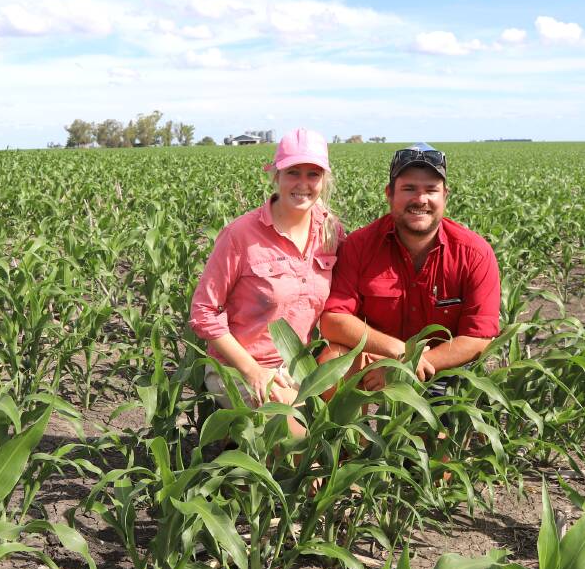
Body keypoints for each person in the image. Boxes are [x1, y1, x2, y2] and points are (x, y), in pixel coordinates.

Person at [319, 143, 500, 400]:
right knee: (333, 360)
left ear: (445, 196)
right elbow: (333, 320)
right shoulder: (360, 246)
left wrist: (409, 366)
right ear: (389, 194)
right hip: (380, 356)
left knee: (433, 434)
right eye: (409, 189)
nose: (420, 199)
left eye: (431, 190)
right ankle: (348, 440)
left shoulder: (474, 254)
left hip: (442, 366)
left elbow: (478, 337)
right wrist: (400, 355)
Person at [189, 128, 344, 416]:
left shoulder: (330, 232)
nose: (303, 183)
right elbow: (203, 313)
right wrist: (252, 370)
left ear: (324, 179)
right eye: (293, 172)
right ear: (276, 176)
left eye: (313, 174)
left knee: (342, 426)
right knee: (299, 446)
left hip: (299, 366)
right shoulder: (241, 235)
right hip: (241, 367)